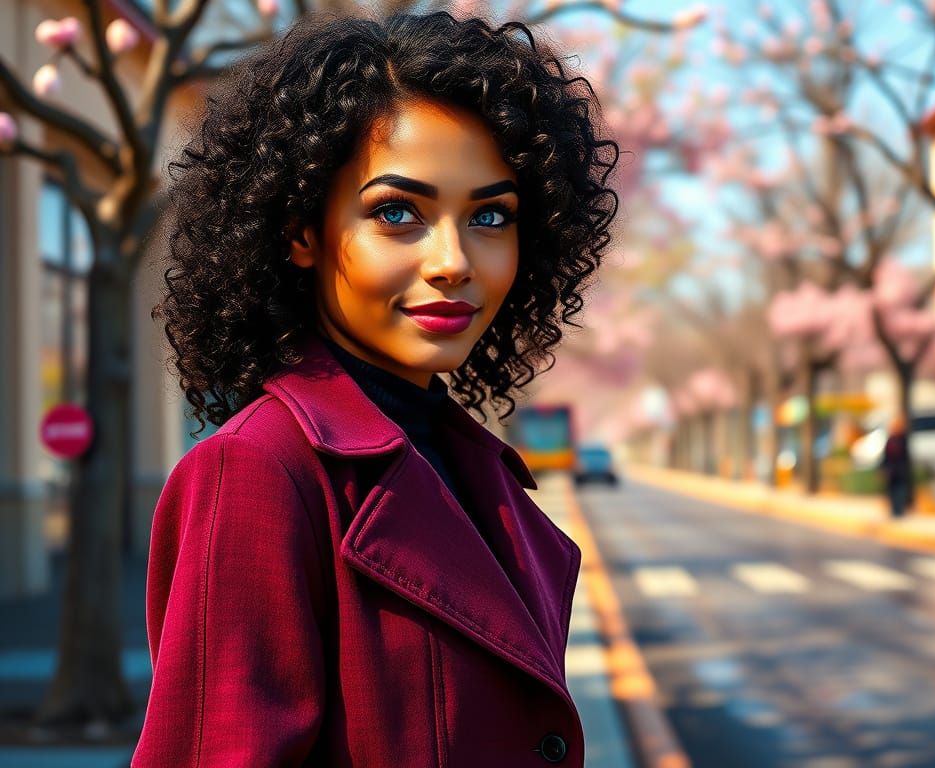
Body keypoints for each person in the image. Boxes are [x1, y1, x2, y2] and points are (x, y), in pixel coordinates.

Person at [131, 8, 618, 768]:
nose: (455, 260)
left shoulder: (468, 464)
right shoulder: (258, 472)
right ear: (301, 232)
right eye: (398, 213)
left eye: (491, 214)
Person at [880, 415, 913, 518]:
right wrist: (882, 468)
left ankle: (899, 511)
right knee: (892, 491)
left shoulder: (903, 439)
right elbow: (885, 456)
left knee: (900, 491)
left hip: (900, 471)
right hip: (891, 471)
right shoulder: (890, 439)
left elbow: (905, 456)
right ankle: (894, 511)